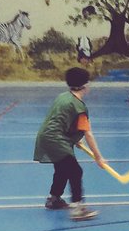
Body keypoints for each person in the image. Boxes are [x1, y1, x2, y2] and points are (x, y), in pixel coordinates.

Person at [34, 66, 107, 221]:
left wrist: (74, 138)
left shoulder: (63, 97)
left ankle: (54, 200)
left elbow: (61, 120)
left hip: (45, 137)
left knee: (62, 170)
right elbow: (88, 134)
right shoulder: (80, 107)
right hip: (56, 139)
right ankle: (77, 208)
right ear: (86, 86)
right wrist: (98, 157)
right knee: (75, 171)